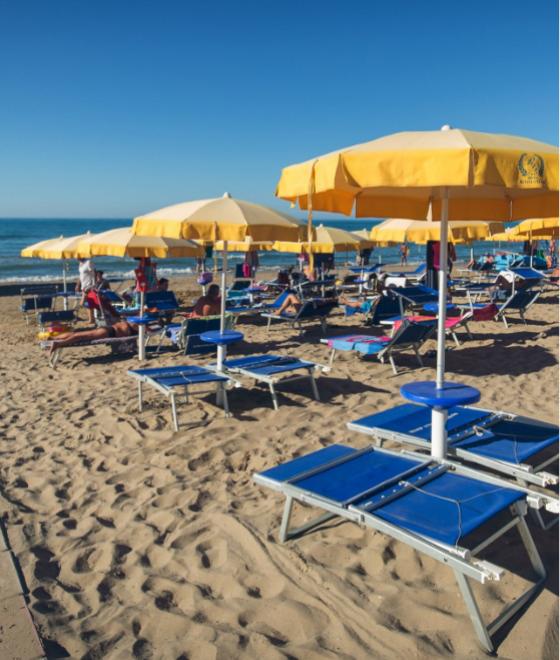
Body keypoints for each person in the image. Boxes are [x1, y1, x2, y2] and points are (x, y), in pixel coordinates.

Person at [48, 319, 139, 355]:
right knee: (80, 336)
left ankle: (55, 338)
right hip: (109, 332)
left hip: (107, 329)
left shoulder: (130, 320)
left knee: (79, 334)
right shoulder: (136, 326)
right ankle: (58, 344)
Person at [76, 258, 96, 323]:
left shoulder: (88, 262)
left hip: (89, 285)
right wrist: (78, 284)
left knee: (86, 302)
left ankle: (91, 319)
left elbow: (94, 273)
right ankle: (91, 319)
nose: (76, 258)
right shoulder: (80, 263)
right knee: (88, 303)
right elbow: (81, 275)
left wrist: (93, 285)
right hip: (83, 285)